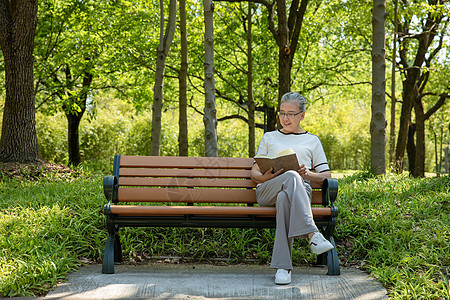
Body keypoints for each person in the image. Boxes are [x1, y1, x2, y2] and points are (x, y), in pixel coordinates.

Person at [251, 92, 334, 285]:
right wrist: (266, 176)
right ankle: (312, 234)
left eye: (291, 114)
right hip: (267, 190)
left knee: (284, 198)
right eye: (282, 113)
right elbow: (253, 174)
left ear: (302, 115)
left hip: (298, 191)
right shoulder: (269, 137)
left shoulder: (312, 140)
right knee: (289, 178)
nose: (285, 118)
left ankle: (283, 267)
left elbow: (326, 176)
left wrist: (308, 174)